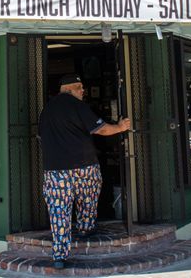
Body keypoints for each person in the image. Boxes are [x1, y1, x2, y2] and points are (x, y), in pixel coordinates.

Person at [38, 74, 131, 269]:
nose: (83, 91)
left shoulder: (46, 110)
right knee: (88, 195)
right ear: (68, 89)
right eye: (79, 87)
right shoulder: (77, 106)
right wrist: (121, 127)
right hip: (84, 164)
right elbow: (102, 130)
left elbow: (40, 137)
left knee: (58, 211)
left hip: (54, 170)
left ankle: (59, 255)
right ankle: (86, 227)